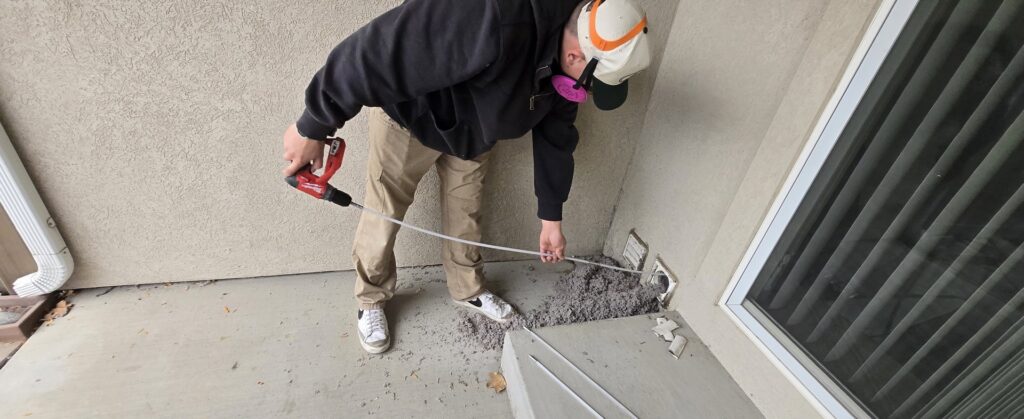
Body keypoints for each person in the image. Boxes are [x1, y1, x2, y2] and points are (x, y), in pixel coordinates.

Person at [281, 0, 651, 354]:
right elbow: (378, 51)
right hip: (411, 122)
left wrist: (551, 217)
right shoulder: (493, 13)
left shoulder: (576, 56)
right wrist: (314, 123)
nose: (585, 92)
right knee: (384, 214)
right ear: (575, 56)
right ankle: (371, 298)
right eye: (592, 83)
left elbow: (557, 134)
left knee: (466, 215)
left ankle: (467, 288)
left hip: (474, 136)